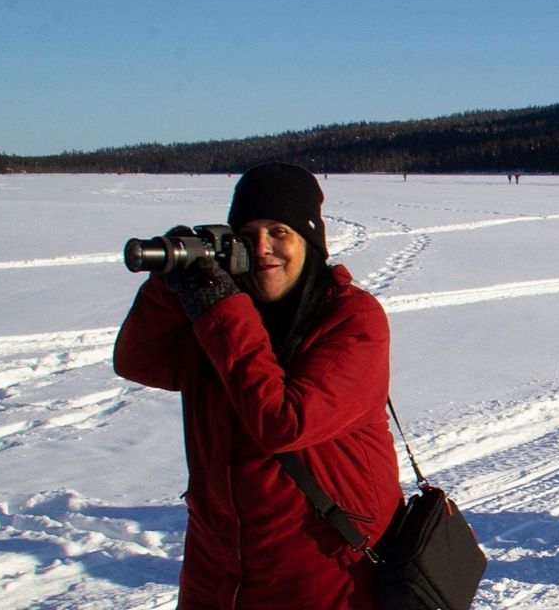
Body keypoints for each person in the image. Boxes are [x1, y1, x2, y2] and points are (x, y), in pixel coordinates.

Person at [113, 162, 403, 609]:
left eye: (279, 231)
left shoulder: (352, 320)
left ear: (309, 241)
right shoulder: (222, 317)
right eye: (248, 234)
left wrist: (220, 304)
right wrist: (173, 285)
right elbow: (138, 360)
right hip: (217, 568)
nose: (263, 246)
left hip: (324, 573)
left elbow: (284, 422)